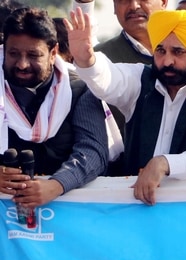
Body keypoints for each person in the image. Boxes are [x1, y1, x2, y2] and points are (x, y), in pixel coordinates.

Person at [67, 9, 186, 205]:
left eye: (178, 51)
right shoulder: (141, 79)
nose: (167, 61)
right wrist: (86, 60)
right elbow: (108, 78)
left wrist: (165, 163)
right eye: (160, 50)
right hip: (137, 208)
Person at [0, 7, 109, 208]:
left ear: (53, 53)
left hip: (64, 213)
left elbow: (94, 151)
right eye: (13, 54)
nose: (22, 64)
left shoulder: (79, 89)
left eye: (33, 55)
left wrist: (57, 185)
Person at [93, 0, 168, 65]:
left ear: (163, 2)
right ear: (114, 6)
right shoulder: (97, 59)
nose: (134, 6)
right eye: (124, 0)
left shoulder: (179, 45)